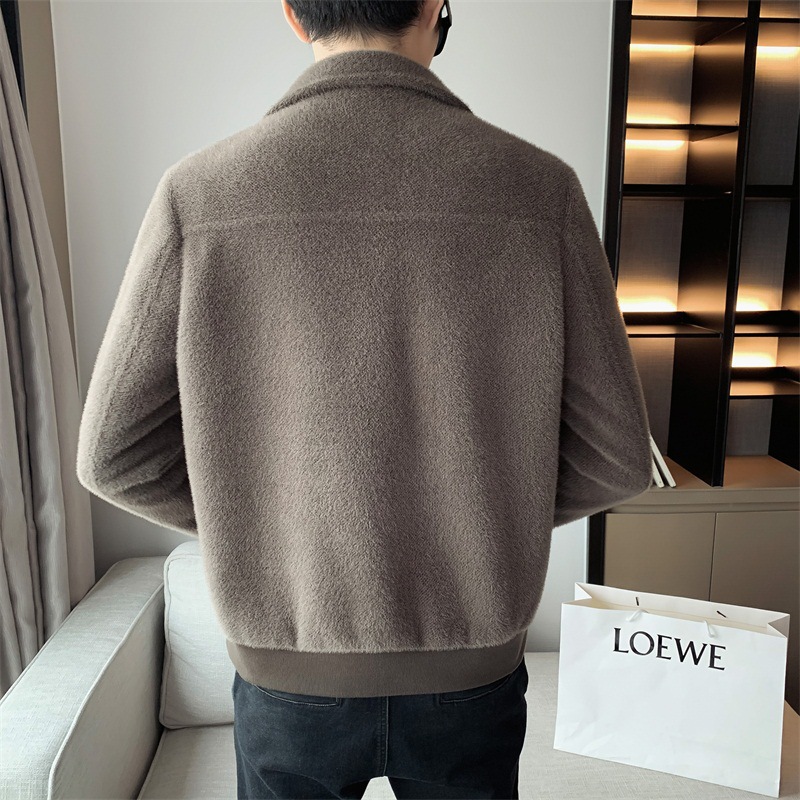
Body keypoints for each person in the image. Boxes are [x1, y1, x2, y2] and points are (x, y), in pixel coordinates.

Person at [75, 0, 654, 797]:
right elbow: (619, 456)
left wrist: (266, 523)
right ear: (435, 6)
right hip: (470, 671)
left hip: (288, 673)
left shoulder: (200, 195)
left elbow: (112, 455)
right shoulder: (539, 190)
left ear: (293, 13)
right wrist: (493, 519)